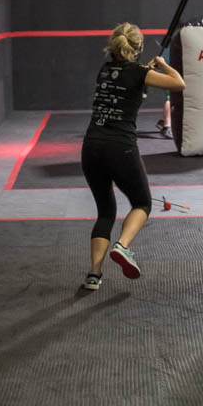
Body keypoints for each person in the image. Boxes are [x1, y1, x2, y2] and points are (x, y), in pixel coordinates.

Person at [80, 23, 185, 290]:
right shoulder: (141, 73)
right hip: (120, 148)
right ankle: (123, 246)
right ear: (137, 49)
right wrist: (161, 65)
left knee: (105, 211)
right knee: (142, 202)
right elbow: (178, 83)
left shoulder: (104, 71)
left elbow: (126, 81)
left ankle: (94, 275)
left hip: (91, 146)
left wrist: (145, 72)